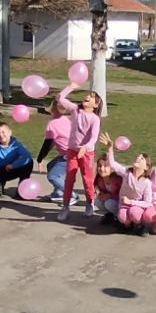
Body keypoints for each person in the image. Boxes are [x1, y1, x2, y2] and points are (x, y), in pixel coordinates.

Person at [56, 83, 103, 220]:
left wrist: (85, 147)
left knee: (87, 180)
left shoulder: (95, 119)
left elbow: (94, 138)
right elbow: (60, 98)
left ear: (96, 105)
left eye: (91, 97)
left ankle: (90, 203)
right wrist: (71, 86)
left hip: (87, 153)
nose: (87, 96)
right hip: (72, 151)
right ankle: (65, 206)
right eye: (87, 95)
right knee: (69, 179)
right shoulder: (75, 109)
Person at [103, 133, 156, 236]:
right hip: (124, 204)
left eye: (142, 158)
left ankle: (140, 225)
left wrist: (131, 202)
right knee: (122, 217)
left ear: (146, 167)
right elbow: (112, 164)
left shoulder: (146, 182)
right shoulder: (126, 173)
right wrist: (110, 148)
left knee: (134, 213)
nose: (138, 158)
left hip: (137, 206)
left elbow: (148, 203)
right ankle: (127, 225)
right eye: (137, 157)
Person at [36, 99, 72, 203]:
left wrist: (40, 159)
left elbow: (47, 144)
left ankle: (70, 194)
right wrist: (42, 158)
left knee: (52, 176)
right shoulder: (66, 120)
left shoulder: (52, 124)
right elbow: (53, 142)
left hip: (68, 156)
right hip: (71, 153)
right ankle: (58, 192)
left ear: (53, 110)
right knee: (51, 166)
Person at [95, 162, 123, 226]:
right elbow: (100, 189)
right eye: (99, 166)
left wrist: (110, 196)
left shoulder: (118, 179)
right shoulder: (100, 178)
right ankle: (109, 215)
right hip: (110, 200)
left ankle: (121, 218)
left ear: (112, 169)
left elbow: (124, 194)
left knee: (109, 203)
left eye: (105, 166)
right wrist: (100, 194)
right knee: (97, 201)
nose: (101, 168)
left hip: (120, 202)